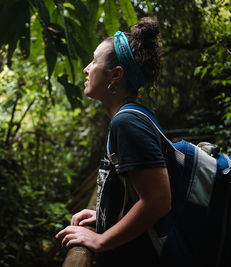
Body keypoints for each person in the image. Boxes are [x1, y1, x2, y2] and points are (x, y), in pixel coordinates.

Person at [55, 17, 171, 266]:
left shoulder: (127, 123)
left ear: (115, 75)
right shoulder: (129, 118)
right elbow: (135, 189)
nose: (87, 69)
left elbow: (158, 201)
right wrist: (105, 214)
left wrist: (101, 240)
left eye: (94, 61)